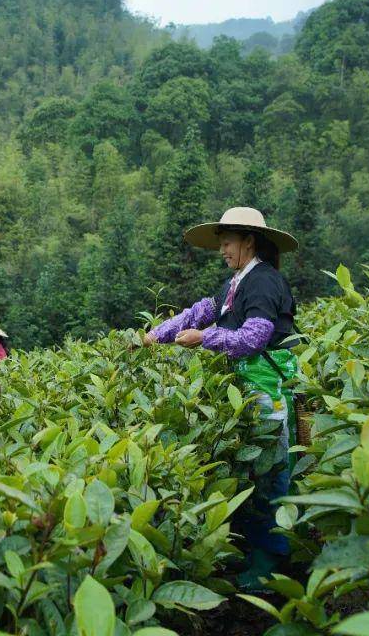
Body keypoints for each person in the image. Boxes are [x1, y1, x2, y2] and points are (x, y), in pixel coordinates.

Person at [140, 206, 300, 590]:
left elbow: (253, 338)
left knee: (270, 472)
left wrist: (204, 339)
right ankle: (259, 550)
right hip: (248, 391)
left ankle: (271, 564)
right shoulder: (237, 283)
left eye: (227, 242)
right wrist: (155, 335)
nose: (222, 250)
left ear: (249, 241)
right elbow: (200, 312)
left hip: (266, 392)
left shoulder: (263, 282)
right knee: (254, 470)